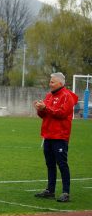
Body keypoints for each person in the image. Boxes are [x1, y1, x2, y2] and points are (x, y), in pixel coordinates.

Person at [33, 72, 78, 203]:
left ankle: (66, 192)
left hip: (60, 136)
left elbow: (62, 114)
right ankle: (50, 190)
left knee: (62, 164)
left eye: (52, 82)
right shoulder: (49, 96)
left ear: (60, 83)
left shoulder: (67, 96)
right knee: (50, 164)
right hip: (48, 135)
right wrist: (39, 109)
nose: (50, 84)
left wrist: (46, 108)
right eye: (50, 81)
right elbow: (44, 115)